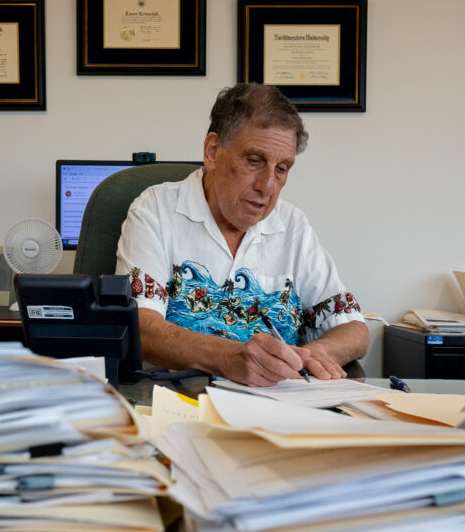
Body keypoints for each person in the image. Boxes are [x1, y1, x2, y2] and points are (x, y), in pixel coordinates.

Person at [115, 83, 368, 386]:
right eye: (254, 161)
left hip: (279, 409)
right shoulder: (155, 210)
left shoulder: (292, 225)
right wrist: (228, 357)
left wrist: (312, 354)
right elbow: (142, 328)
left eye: (282, 168)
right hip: (176, 402)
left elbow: (353, 327)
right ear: (213, 152)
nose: (268, 186)